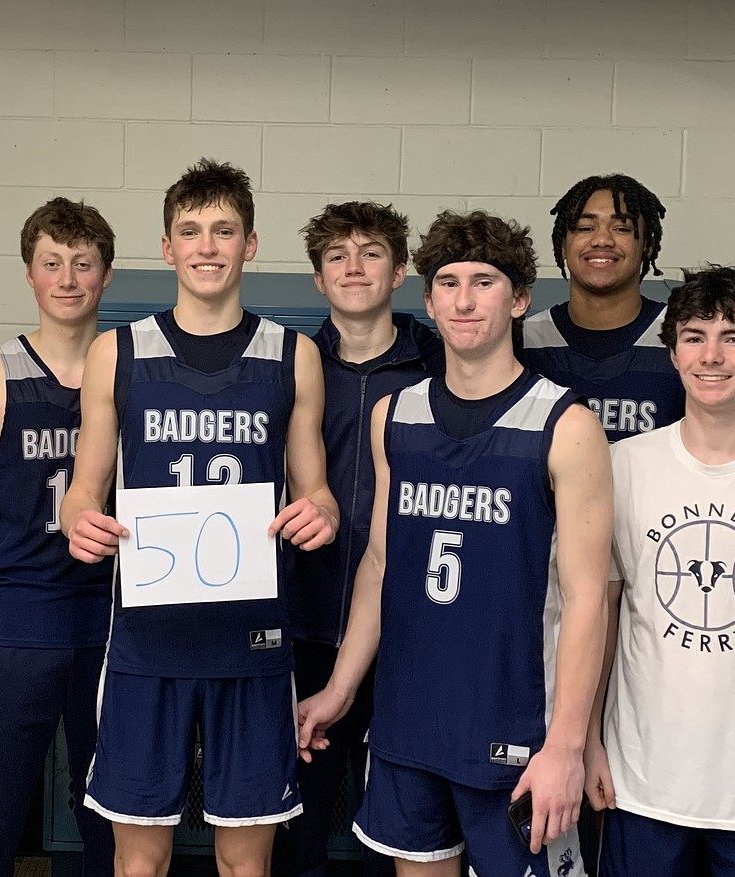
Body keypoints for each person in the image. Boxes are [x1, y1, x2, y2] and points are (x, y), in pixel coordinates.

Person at [299, 210, 613, 877]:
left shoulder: (566, 424)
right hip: (409, 722)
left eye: (484, 282)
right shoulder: (395, 415)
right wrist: (339, 688)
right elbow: (380, 563)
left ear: (519, 299)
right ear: (429, 299)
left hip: (517, 730)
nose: (464, 300)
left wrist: (567, 745)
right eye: (448, 283)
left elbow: (589, 599)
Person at [61, 158, 339, 877]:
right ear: (167, 247)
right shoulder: (116, 352)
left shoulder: (293, 355)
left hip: (251, 640)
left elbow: (315, 488)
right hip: (146, 640)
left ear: (251, 244)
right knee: (139, 860)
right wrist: (81, 519)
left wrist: (321, 513)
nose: (207, 246)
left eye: (224, 230)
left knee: (246, 861)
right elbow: (82, 492)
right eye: (190, 231)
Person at [585, 265, 735, 876]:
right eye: (693, 336)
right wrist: (587, 743)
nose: (710, 356)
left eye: (733, 338)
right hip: (640, 788)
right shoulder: (622, 467)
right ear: (674, 353)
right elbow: (597, 615)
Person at [0, 197, 117, 877]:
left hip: (111, 627)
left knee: (111, 826)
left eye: (82, 264)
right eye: (52, 263)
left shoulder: (130, 371)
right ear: (30, 274)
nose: (67, 279)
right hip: (14, 627)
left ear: (106, 275)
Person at [274, 201, 444, 877]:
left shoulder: (440, 363)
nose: (353, 267)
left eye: (371, 252)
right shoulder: (293, 365)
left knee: (397, 832)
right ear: (318, 278)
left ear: (399, 272)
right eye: (336, 256)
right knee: (299, 826)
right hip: (306, 623)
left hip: (408, 632)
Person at [520, 173, 683, 442]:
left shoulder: (684, 338)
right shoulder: (524, 342)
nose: (602, 240)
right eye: (585, 228)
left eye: (622, 229)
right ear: (563, 244)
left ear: (648, 245)